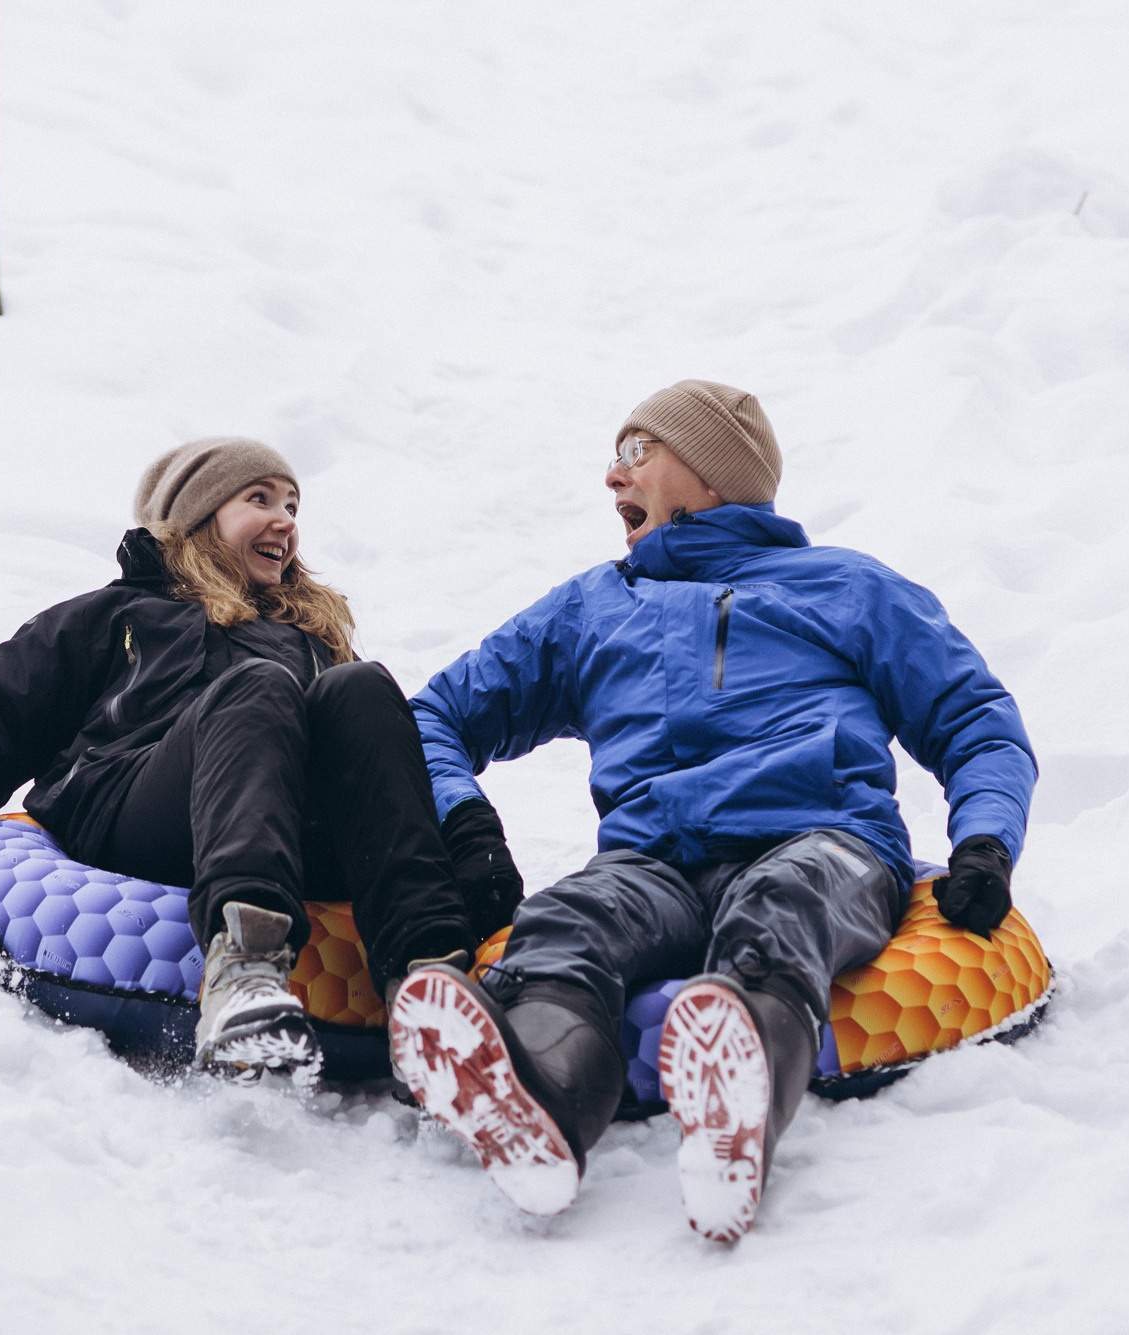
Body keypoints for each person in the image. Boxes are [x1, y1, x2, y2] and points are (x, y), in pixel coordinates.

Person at [389, 381, 1036, 1240]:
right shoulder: (593, 606)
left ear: (706, 470)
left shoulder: (846, 586)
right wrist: (464, 819)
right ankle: (541, 1100)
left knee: (780, 910)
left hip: (821, 839)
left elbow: (973, 718)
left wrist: (986, 839)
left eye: (633, 454)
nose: (610, 479)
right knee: (564, 923)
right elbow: (433, 716)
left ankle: (739, 1110)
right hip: (653, 860)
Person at [0, 437, 501, 1082]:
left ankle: (429, 977)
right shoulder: (117, 614)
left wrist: (470, 851)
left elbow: (386, 776)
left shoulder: (312, 641)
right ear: (195, 514)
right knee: (258, 687)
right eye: (259, 498)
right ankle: (244, 965)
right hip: (139, 811)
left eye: (293, 505)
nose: (286, 521)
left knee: (365, 687)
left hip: (291, 833)